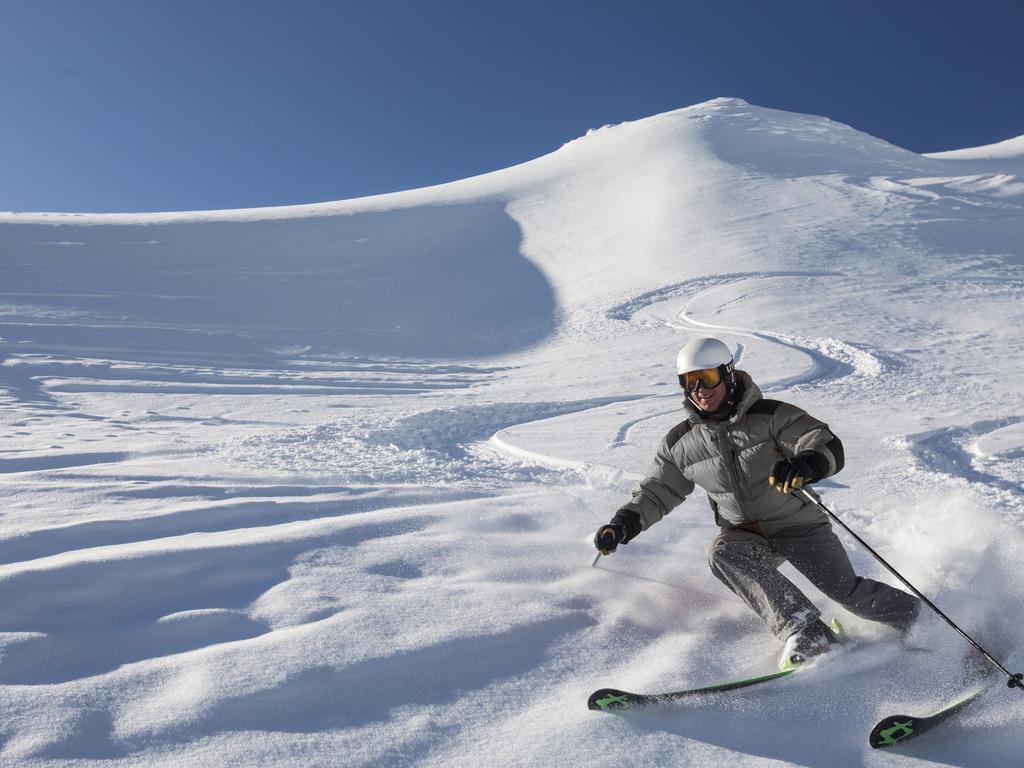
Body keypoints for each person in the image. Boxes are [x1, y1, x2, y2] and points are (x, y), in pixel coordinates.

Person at [593, 336, 921, 670]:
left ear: (728, 374)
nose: (700, 390)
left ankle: (923, 620)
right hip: (744, 534)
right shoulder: (682, 442)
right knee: (722, 552)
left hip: (799, 524)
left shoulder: (772, 416)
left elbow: (823, 442)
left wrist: (807, 463)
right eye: (689, 382)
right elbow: (659, 489)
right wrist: (625, 523)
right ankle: (807, 631)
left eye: (706, 378)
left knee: (848, 593)